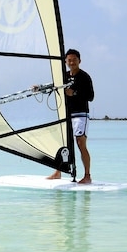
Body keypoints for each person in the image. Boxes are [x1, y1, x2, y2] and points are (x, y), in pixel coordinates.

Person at [47, 48, 94, 184]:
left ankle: (87, 176)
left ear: (79, 61)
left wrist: (74, 93)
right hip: (67, 115)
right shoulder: (64, 76)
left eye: (74, 60)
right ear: (65, 62)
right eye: (69, 60)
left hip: (81, 115)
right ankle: (58, 171)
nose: (72, 62)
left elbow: (91, 96)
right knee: (62, 144)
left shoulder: (84, 77)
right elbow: (54, 85)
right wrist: (39, 88)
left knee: (80, 143)